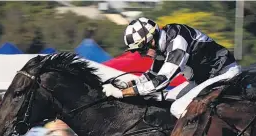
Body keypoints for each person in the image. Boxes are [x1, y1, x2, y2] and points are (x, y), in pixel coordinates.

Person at [102, 17, 241, 119]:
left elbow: (161, 82)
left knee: (177, 108)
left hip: (224, 74)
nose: (142, 55)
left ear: (151, 41)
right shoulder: (161, 44)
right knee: (167, 100)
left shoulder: (177, 41)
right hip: (203, 79)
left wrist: (123, 93)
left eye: (142, 50)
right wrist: (127, 84)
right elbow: (152, 75)